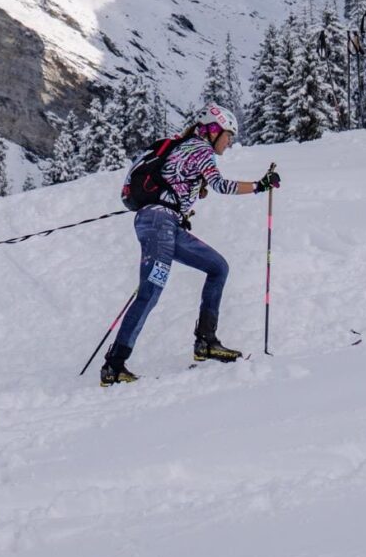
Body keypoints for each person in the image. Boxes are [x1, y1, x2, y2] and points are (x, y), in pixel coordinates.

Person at [100, 104, 280, 386]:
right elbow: (221, 185)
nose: (230, 141)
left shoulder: (186, 147)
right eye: (228, 135)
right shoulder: (200, 149)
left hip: (165, 224)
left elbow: (176, 182)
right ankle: (114, 365)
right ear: (213, 131)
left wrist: (179, 211)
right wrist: (261, 185)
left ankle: (206, 342)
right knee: (150, 292)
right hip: (159, 224)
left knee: (217, 267)